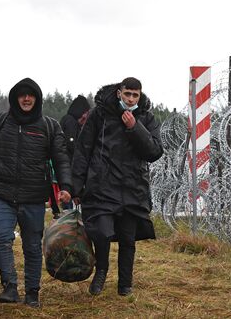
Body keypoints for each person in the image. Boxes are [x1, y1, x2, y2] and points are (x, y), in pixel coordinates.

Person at [0, 78, 72, 308]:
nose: (26, 99)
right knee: (3, 240)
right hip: (2, 194)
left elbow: (61, 159)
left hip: (35, 197)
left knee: (32, 246)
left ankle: (33, 292)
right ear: (15, 98)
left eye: (31, 95)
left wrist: (66, 187)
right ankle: (9, 287)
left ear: (37, 99)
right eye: (22, 95)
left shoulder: (49, 126)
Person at [71, 77, 163, 297]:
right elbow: (83, 150)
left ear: (140, 97)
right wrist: (76, 186)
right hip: (103, 185)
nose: (130, 99)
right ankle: (101, 270)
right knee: (101, 232)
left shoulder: (146, 119)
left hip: (133, 186)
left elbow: (154, 152)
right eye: (127, 94)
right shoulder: (99, 115)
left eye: (135, 95)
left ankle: (125, 284)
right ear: (119, 93)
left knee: (127, 238)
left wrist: (135, 127)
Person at [60, 95, 91, 162]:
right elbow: (71, 143)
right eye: (86, 113)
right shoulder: (70, 121)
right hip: (68, 163)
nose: (86, 116)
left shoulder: (70, 120)